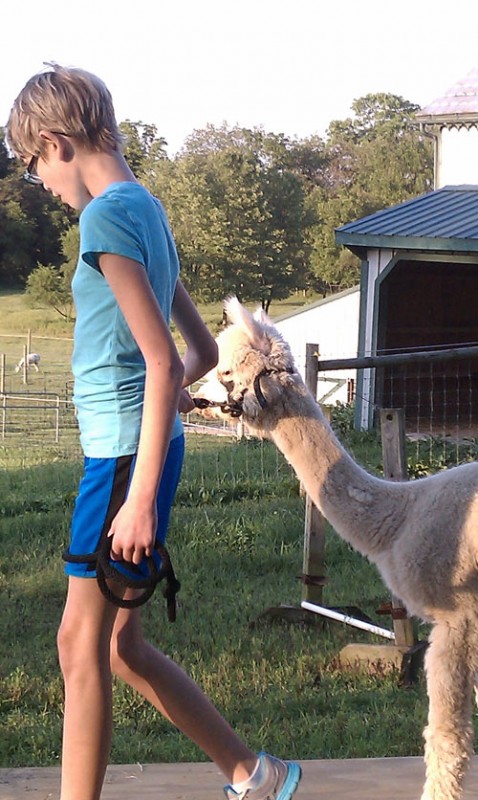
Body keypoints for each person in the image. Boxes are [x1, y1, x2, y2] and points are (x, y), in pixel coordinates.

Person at [6, 64, 302, 800]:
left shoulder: (105, 218)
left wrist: (136, 499)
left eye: (32, 164)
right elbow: (198, 353)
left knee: (79, 647)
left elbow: (166, 362)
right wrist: (162, 430)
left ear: (55, 142)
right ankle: (253, 774)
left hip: (119, 462)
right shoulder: (147, 208)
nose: (40, 182)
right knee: (116, 644)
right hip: (146, 453)